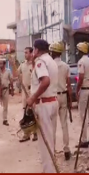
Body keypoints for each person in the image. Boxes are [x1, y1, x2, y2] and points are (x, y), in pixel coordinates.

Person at [26, 39, 59, 173]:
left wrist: (33, 97)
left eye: (34, 50)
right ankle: (51, 168)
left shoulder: (41, 62)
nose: (33, 52)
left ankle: (48, 171)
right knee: (50, 139)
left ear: (37, 50)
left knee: (45, 143)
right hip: (52, 102)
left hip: (44, 104)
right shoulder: (51, 61)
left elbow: (45, 81)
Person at [49, 42, 72, 160]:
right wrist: (70, 99)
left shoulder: (49, 65)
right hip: (63, 96)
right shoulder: (65, 66)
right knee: (64, 125)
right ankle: (66, 150)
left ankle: (52, 151)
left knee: (52, 126)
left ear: (53, 52)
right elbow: (68, 84)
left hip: (53, 97)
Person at [75, 41, 89, 148]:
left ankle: (83, 140)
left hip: (84, 90)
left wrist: (77, 90)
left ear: (80, 51)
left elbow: (81, 77)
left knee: (83, 116)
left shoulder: (81, 62)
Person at [17, 47, 38, 142]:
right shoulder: (22, 65)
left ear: (31, 53)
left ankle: (35, 133)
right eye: (24, 52)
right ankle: (26, 134)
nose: (25, 54)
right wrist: (13, 64)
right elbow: (16, 74)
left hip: (33, 92)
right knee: (25, 114)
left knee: (34, 113)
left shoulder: (36, 64)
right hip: (25, 92)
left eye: (26, 52)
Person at [0, 57, 14, 126]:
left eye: (1, 63)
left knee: (5, 106)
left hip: (5, 90)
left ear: (4, 64)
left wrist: (12, 90)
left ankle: (5, 120)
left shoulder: (8, 71)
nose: (0, 65)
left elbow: (11, 80)